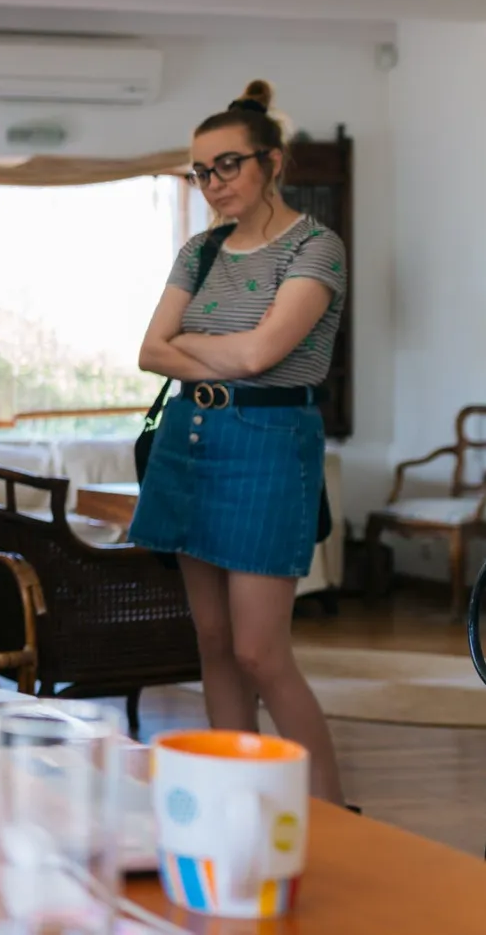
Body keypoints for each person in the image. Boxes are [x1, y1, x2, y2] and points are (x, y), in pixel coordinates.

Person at [130, 80, 346, 803]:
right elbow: (149, 353)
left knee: (260, 650)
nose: (212, 183)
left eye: (228, 165)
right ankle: (236, 801)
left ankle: (330, 812)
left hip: (268, 444)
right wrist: (215, 347)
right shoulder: (200, 249)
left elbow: (262, 358)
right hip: (191, 439)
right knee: (214, 646)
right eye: (200, 170)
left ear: (271, 163)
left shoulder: (317, 247)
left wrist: (194, 342)